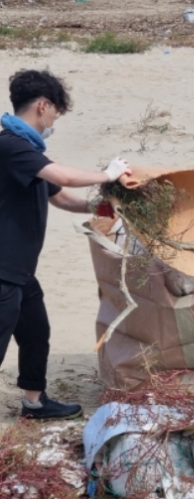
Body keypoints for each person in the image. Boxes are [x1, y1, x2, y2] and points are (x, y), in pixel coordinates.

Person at [0, 69, 131, 420]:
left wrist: (102, 205)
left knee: (36, 332)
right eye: (56, 111)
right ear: (43, 106)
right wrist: (108, 174)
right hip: (3, 270)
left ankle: (34, 401)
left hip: (20, 269)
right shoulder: (11, 146)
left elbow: (60, 196)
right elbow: (62, 175)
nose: (54, 119)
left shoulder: (27, 150)